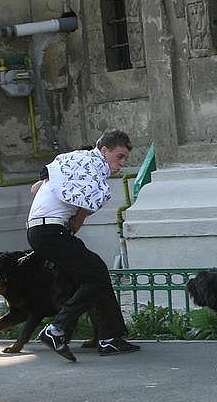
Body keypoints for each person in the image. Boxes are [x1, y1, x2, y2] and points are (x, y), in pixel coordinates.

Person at [29, 129, 140, 361]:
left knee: (95, 274)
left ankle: (110, 338)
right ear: (104, 150)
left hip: (38, 230)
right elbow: (78, 220)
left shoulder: (73, 162)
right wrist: (73, 220)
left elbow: (35, 189)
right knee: (96, 274)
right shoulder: (94, 171)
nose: (121, 164)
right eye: (119, 156)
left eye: (125, 159)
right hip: (52, 231)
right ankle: (57, 329)